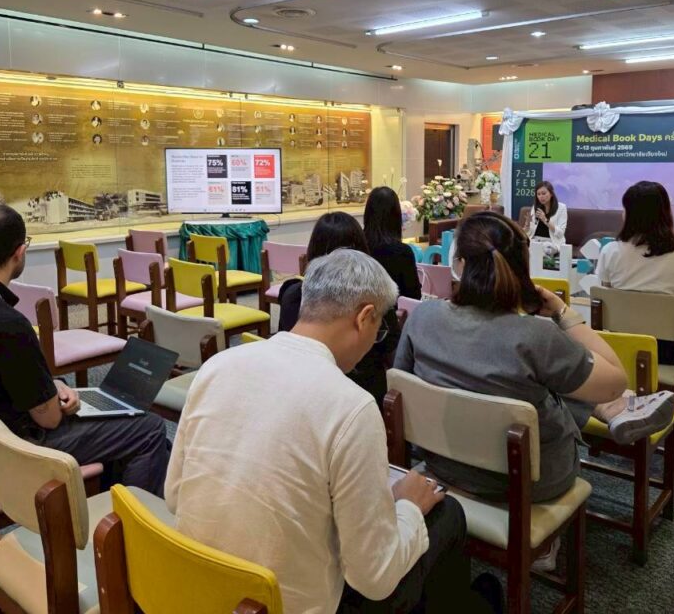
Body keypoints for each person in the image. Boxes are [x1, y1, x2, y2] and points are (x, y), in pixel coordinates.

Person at [167, 250, 497, 614]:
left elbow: (174, 496)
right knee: (447, 515)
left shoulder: (218, 366)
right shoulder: (351, 406)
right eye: (378, 329)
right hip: (287, 604)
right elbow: (374, 577)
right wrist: (408, 508)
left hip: (196, 587)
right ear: (365, 317)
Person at [396, 213, 674, 510]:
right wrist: (564, 313)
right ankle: (615, 406)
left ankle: (613, 408)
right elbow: (615, 381)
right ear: (523, 267)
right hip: (534, 479)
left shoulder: (423, 317)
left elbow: (401, 386)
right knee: (547, 381)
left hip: (444, 464)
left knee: (534, 379)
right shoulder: (537, 336)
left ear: (459, 264)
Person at [0, 205, 170, 496]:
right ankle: (132, 517)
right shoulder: (7, 323)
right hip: (7, 447)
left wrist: (52, 386)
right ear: (19, 252)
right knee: (148, 428)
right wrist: (53, 397)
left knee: (134, 433)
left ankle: (113, 502)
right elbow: (49, 419)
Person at [279, 212, 400, 405]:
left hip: (298, 392)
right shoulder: (375, 300)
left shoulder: (293, 294)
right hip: (365, 392)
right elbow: (390, 347)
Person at [595, 181, 674, 365]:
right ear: (666, 213)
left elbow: (607, 302)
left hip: (622, 345)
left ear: (630, 215)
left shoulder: (610, 252)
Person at [364, 187, 421, 301]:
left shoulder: (357, 245)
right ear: (396, 215)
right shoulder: (402, 252)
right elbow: (413, 296)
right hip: (393, 310)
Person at [523, 180, 568, 246]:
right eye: (538, 194)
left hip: (552, 242)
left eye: (544, 193)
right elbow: (528, 233)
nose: (541, 196)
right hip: (535, 241)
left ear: (551, 194)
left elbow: (560, 234)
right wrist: (527, 224)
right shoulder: (535, 207)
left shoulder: (561, 208)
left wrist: (545, 220)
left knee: (545, 249)